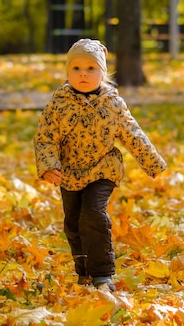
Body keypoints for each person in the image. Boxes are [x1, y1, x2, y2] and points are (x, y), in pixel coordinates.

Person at [34, 38, 167, 291]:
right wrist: (49, 164)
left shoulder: (113, 104)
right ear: (67, 72)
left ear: (103, 73)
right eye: (76, 68)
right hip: (70, 173)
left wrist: (152, 162)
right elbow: (45, 138)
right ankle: (84, 272)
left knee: (93, 214)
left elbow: (132, 133)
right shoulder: (58, 104)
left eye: (91, 68)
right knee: (73, 222)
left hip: (102, 168)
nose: (83, 73)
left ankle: (102, 273)